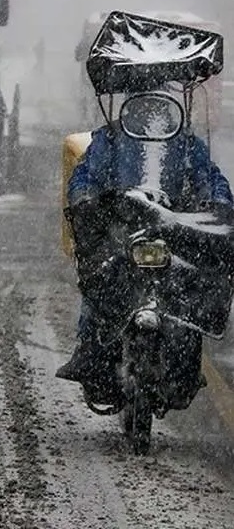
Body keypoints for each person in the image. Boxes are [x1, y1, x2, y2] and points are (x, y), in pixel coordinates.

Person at [56, 93, 234, 391]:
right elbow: (85, 175)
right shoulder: (109, 139)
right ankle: (90, 354)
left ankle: (185, 363)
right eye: (144, 105)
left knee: (191, 290)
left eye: (156, 106)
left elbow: (210, 178)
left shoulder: (185, 143)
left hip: (171, 227)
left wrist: (217, 202)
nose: (150, 113)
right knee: (99, 282)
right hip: (121, 227)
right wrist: (85, 197)